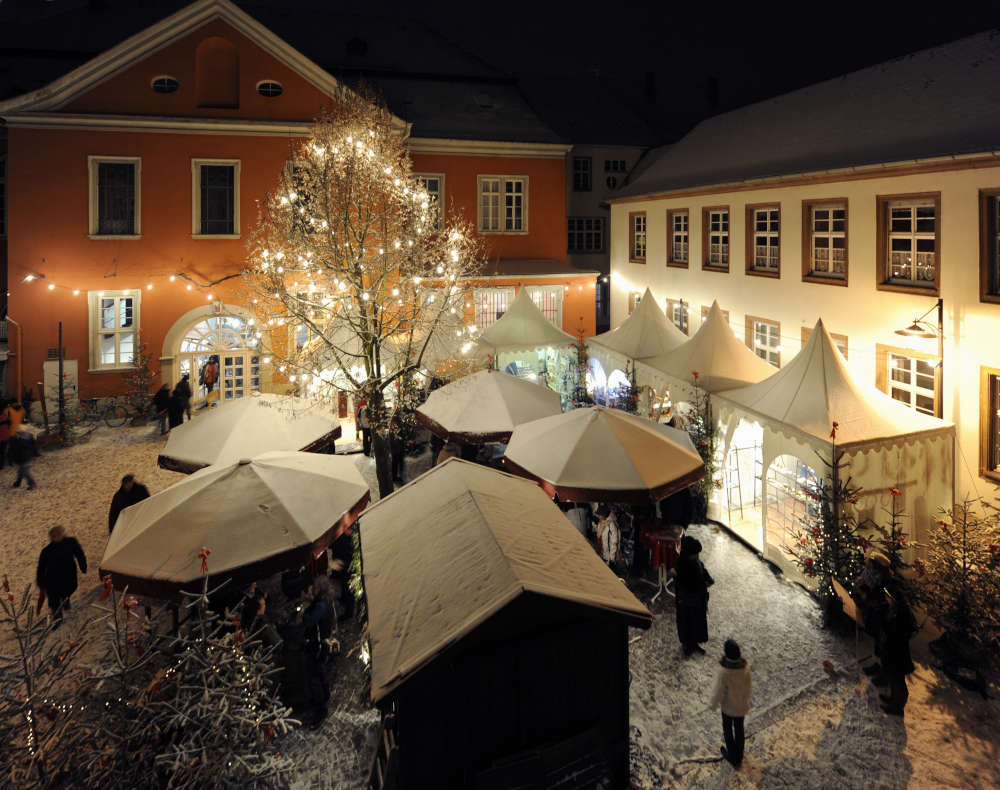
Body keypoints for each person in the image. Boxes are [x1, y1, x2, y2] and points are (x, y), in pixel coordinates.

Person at [710, 638, 752, 768]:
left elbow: (719, 691)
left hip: (728, 709)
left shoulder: (725, 672)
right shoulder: (745, 668)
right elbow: (748, 687)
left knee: (728, 730)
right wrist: (745, 700)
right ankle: (739, 754)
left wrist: (713, 704)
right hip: (741, 707)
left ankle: (732, 755)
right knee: (739, 730)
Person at [300, 577, 335, 728]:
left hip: (318, 645)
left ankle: (320, 709)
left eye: (314, 588)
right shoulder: (327, 601)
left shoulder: (320, 605)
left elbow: (309, 621)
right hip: (323, 644)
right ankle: (325, 695)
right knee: (320, 671)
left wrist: (304, 612)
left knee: (314, 676)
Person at [36, 525, 87, 623]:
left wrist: (83, 566)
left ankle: (65, 601)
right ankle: (57, 619)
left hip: (68, 575)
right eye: (53, 536)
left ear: (62, 534)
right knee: (54, 599)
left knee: (66, 591)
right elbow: (41, 568)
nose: (56, 537)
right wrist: (41, 582)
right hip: (52, 579)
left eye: (58, 535)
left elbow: (79, 554)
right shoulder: (47, 551)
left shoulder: (71, 542)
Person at [879, 586, 917, 716]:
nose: (886, 599)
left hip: (898, 653)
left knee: (898, 679)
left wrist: (889, 633)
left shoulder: (901, 613)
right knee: (893, 676)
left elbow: (899, 632)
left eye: (888, 597)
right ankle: (893, 699)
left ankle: (898, 706)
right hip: (892, 650)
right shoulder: (894, 609)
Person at [854, 551, 891, 680]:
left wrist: (866, 595)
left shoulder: (884, 582)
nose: (868, 565)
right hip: (875, 614)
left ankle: (884, 672)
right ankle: (877, 664)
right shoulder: (873, 576)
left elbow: (877, 597)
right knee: (877, 642)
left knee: (883, 644)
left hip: (883, 618)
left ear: (877, 566)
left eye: (870, 564)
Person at [675, 534, 713, 656]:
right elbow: (687, 584)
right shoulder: (682, 565)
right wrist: (703, 584)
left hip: (696, 599)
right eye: (695, 554)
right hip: (687, 600)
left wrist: (707, 580)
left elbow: (702, 570)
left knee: (696, 622)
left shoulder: (694, 561)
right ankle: (688, 645)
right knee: (688, 622)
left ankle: (694, 643)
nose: (697, 556)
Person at [0, 398, 10, 469]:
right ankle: (2, 464)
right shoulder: (5, 416)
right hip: (5, 436)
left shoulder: (4, 416)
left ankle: (1, 465)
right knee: (3, 451)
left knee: (2, 451)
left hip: (2, 436)